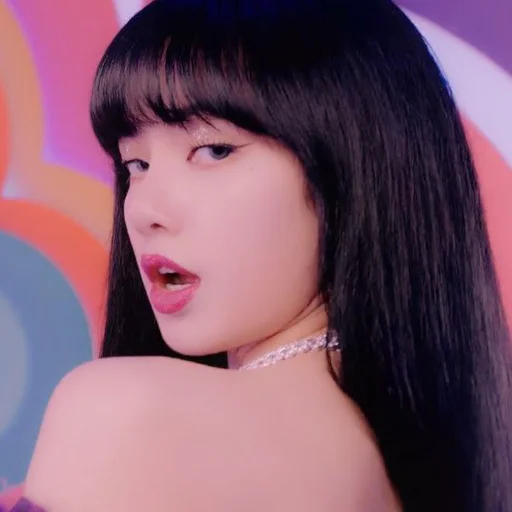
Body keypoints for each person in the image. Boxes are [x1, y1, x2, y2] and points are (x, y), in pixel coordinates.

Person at [7, 0, 512, 510]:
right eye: (135, 164)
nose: (143, 211)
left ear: (353, 167)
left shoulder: (129, 415)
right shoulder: (387, 466)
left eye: (214, 150)